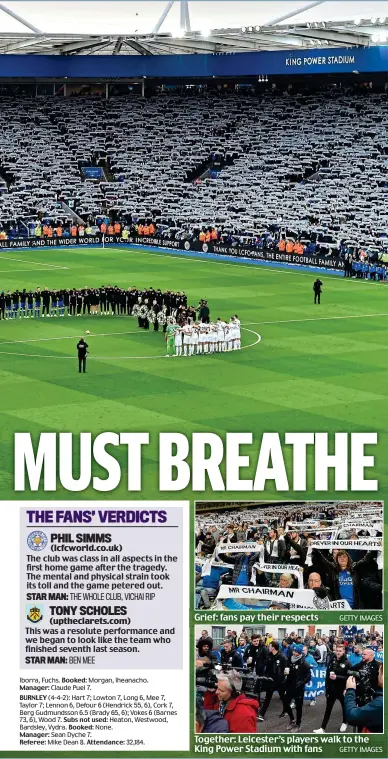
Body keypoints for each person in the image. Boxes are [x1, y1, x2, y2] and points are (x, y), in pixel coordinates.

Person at [313, 641, 350, 734]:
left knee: (344, 708)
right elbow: (327, 673)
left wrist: (337, 677)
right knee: (328, 709)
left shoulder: (347, 662)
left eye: (340, 651)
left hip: (342, 690)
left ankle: (344, 722)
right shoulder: (332, 659)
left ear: (343, 651)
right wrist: (326, 688)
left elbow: (348, 677)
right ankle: (322, 728)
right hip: (331, 689)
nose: (338, 652)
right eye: (337, 650)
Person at [344, 664, 383, 733]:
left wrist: (350, 691)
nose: (378, 676)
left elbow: (352, 716)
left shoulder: (380, 703)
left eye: (379, 673)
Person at [282, 643, 311, 732]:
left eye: (296, 652)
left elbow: (308, 677)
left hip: (298, 687)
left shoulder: (304, 663)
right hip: (289, 685)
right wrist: (285, 673)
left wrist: (301, 682)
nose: (294, 653)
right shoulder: (289, 660)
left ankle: (298, 724)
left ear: (299, 653)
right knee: (286, 703)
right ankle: (292, 720)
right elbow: (286, 670)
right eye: (293, 651)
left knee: (299, 707)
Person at [259, 641, 287, 721]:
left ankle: (285, 711)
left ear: (273, 648)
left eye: (270, 646)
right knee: (268, 697)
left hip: (279, 681)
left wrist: (282, 679)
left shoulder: (282, 657)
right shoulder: (269, 656)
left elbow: (285, 670)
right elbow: (267, 667)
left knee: (282, 696)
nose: (268, 648)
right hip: (270, 680)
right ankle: (262, 714)